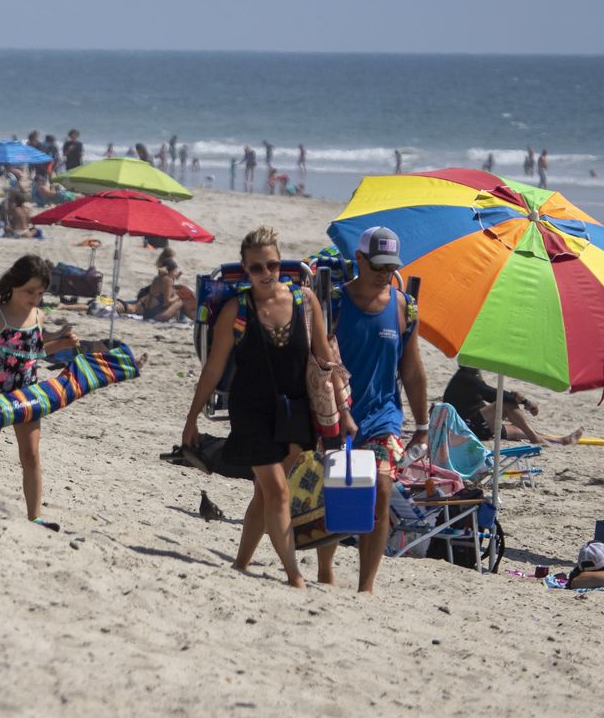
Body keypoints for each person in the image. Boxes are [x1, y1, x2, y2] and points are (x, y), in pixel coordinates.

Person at [183, 227, 337, 587]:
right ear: (245, 269)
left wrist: (341, 413)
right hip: (250, 412)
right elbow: (214, 368)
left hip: (295, 410)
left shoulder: (305, 302)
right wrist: (192, 418)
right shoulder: (237, 311)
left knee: (264, 492)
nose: (267, 273)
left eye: (272, 264)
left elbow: (325, 360)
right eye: (257, 268)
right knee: (278, 490)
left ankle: (241, 563)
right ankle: (293, 574)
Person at [323, 226, 428, 593]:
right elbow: (320, 362)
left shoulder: (404, 307)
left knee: (381, 490)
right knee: (339, 491)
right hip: (337, 412)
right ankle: (326, 569)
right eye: (378, 265)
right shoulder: (334, 303)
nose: (384, 273)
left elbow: (412, 371)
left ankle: (365, 585)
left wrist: (423, 423)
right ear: (360, 260)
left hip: (383, 414)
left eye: (390, 267)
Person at [0, 256, 80, 527]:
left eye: (40, 293)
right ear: (14, 285)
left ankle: (34, 516)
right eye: (30, 291)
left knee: (31, 455)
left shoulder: (39, 316)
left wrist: (62, 343)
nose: (35, 298)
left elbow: (35, 353)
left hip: (28, 394)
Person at [442, 365, 581, 445]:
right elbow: (498, 396)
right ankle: (535, 438)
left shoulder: (468, 377)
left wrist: (519, 400)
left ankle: (560, 440)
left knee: (518, 429)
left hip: (476, 424)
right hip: (467, 428)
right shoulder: (465, 378)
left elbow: (490, 395)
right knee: (506, 404)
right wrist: (526, 402)